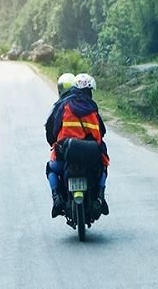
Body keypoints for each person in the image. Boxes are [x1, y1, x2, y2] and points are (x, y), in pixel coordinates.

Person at [45, 73, 110, 218]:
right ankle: (100, 197)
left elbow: (52, 129)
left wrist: (56, 142)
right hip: (90, 160)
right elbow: (101, 133)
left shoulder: (63, 106)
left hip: (66, 157)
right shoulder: (92, 109)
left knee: (51, 168)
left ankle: (57, 198)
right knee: (103, 167)